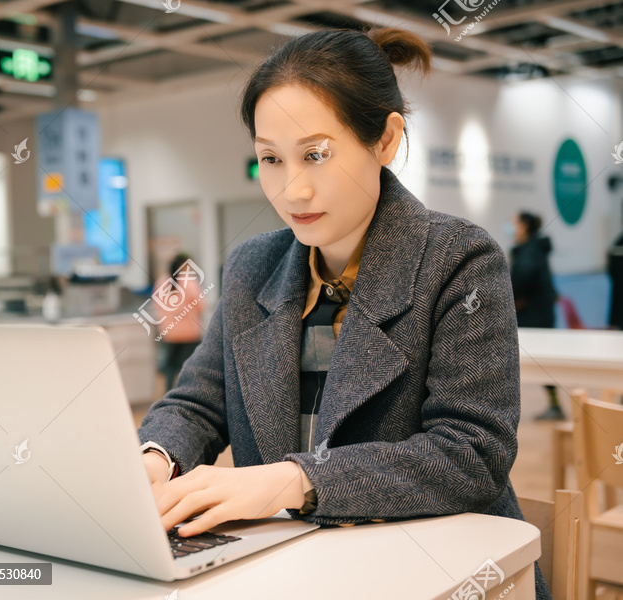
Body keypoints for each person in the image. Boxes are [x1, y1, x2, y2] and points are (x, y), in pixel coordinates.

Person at [137, 26, 551, 599]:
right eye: (270, 160)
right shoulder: (252, 266)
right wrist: (155, 460)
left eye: (316, 154)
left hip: (438, 572)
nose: (293, 191)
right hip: (294, 571)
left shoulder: (459, 260)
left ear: (384, 140)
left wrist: (296, 480)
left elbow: (472, 453)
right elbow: (199, 403)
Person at [509, 211, 562, 420]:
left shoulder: (529, 251)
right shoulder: (534, 249)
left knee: (543, 365)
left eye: (514, 223)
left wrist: (511, 295)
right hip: (540, 313)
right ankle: (555, 405)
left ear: (524, 226)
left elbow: (521, 279)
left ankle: (555, 406)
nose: (512, 227)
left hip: (533, 316)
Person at [152, 253, 206, 391]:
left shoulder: (161, 282)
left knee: (170, 368)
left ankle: (168, 394)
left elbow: (156, 305)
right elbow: (201, 306)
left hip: (169, 333)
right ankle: (186, 395)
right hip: (190, 334)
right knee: (188, 368)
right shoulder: (190, 282)